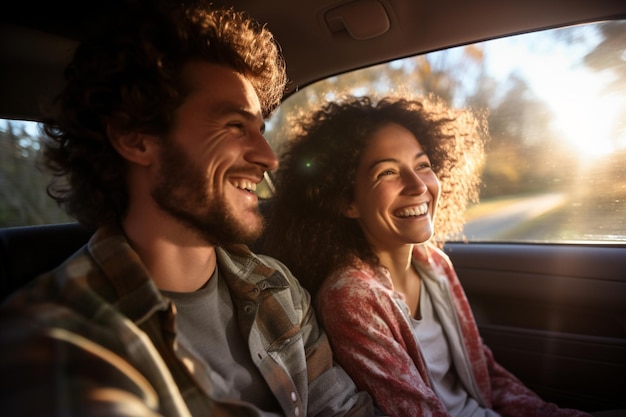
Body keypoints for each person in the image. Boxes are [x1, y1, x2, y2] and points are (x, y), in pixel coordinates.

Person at [0, 2, 378, 416]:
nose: (268, 157)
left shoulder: (276, 286)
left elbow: (344, 410)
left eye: (260, 129)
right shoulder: (57, 338)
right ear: (136, 138)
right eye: (235, 126)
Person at [262, 94, 594, 417]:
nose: (418, 185)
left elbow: (485, 373)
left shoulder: (434, 262)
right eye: (387, 172)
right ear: (347, 201)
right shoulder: (351, 297)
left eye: (422, 165)